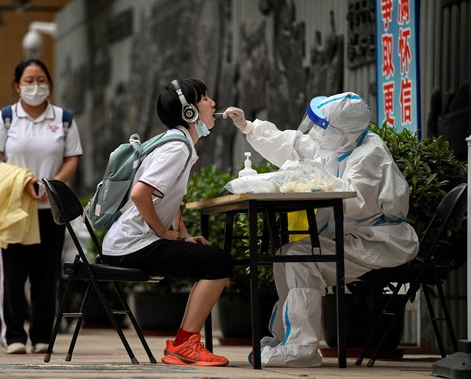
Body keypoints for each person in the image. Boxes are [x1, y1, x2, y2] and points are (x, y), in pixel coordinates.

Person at [223, 92, 419, 367]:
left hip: (376, 241)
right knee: (285, 254)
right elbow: (293, 144)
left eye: (321, 126)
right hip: (350, 236)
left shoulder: (370, 154)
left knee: (300, 261)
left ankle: (301, 350)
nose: (313, 130)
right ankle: (284, 339)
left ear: (341, 131)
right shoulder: (340, 143)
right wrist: (249, 127)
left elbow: (355, 201)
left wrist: (313, 182)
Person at [101, 79, 233, 367]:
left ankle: (184, 343)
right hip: (131, 245)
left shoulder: (178, 144)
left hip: (130, 243)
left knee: (213, 260)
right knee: (218, 262)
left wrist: (183, 237)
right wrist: (163, 233)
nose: (212, 103)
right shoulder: (177, 148)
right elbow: (140, 194)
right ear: (189, 113)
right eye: (205, 98)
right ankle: (186, 344)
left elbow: (168, 201)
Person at [0, 58, 83, 354]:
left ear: (49, 85)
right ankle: (13, 335)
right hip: (14, 209)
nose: (35, 86)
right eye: (29, 80)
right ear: (17, 86)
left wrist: (52, 187)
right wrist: (21, 183)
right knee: (12, 278)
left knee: (45, 278)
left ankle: (41, 335)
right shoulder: (4, 118)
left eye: (41, 80)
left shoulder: (64, 118)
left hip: (50, 211)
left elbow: (72, 157)